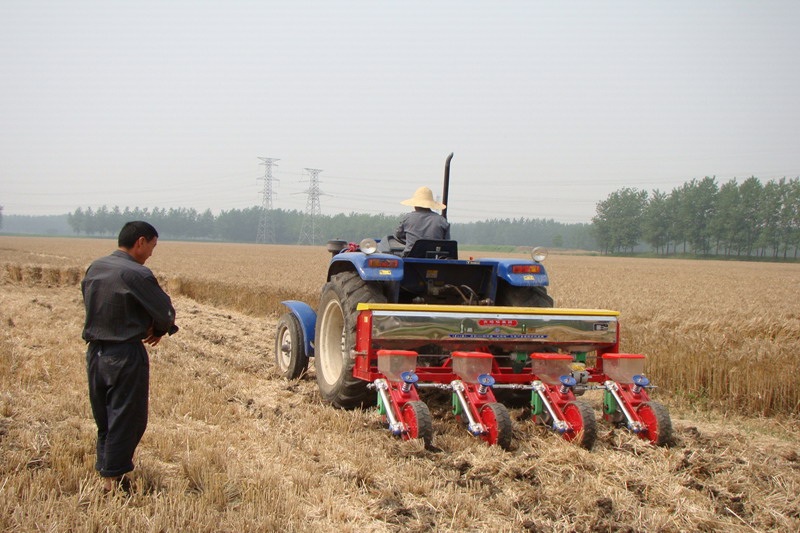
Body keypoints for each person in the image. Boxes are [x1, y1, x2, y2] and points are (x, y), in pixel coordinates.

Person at [81, 221, 178, 492]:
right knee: (127, 418)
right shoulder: (137, 274)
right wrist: (159, 329)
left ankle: (107, 471)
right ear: (140, 242)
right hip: (124, 354)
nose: (152, 252)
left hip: (95, 353)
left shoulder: (96, 267)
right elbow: (165, 312)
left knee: (105, 417)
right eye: (152, 246)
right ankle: (113, 481)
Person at [395, 186, 451, 257]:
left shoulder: (407, 218)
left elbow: (398, 235)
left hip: (410, 257)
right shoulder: (442, 221)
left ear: (415, 204)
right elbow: (447, 243)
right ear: (430, 205)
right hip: (434, 258)